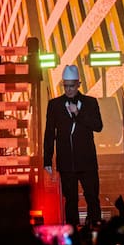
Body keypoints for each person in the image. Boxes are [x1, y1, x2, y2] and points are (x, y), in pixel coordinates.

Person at [43, 64, 104, 228]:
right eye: (66, 86)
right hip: (66, 162)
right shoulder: (55, 105)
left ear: (78, 84)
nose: (68, 89)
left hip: (87, 161)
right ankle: (73, 232)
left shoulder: (90, 103)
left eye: (71, 86)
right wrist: (47, 159)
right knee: (70, 200)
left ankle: (94, 228)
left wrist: (78, 113)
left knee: (92, 197)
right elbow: (49, 133)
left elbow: (98, 126)